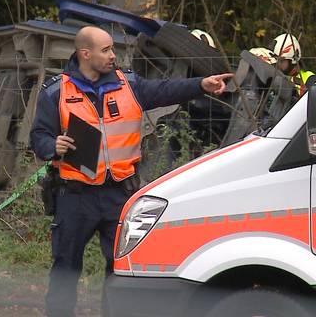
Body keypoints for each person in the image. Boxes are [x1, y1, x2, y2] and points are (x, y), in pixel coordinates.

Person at [29, 26, 233, 317]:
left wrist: (201, 84)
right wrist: (54, 145)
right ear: (85, 54)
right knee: (65, 269)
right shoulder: (56, 92)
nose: (113, 55)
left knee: (123, 271)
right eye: (106, 50)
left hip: (119, 195)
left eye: (113, 49)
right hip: (74, 196)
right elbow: (38, 137)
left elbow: (166, 91)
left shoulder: (129, 85)